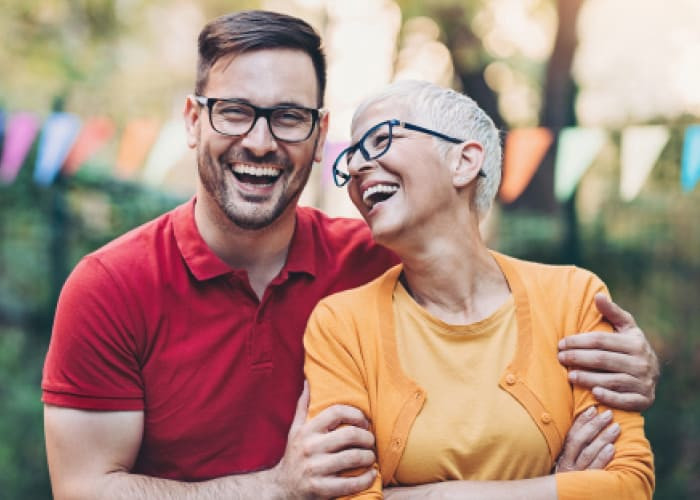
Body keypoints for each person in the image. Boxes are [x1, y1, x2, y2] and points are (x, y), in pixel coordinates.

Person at [42, 10, 658, 500]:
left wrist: (632, 366)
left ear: (317, 134)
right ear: (192, 121)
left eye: (287, 118)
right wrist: (277, 489)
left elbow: (499, 313)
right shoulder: (110, 286)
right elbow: (84, 489)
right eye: (234, 112)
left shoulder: (383, 260)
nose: (259, 141)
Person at [303, 80, 654, 499]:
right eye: (351, 156)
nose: (357, 167)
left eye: (380, 140)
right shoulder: (341, 324)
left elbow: (629, 486)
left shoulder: (574, 298)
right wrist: (556, 487)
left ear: (464, 162)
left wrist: (423, 494)